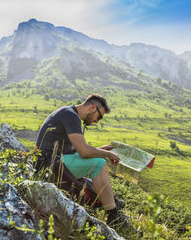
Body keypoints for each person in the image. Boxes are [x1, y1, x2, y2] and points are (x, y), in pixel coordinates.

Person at [35, 94, 129, 226]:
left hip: (52, 160)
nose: (97, 121)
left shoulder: (69, 113)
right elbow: (84, 152)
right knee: (99, 164)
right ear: (92, 107)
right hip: (49, 162)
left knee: (96, 166)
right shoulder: (70, 116)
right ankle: (114, 216)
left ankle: (112, 206)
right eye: (99, 116)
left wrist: (105, 150)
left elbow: (77, 152)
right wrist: (106, 154)